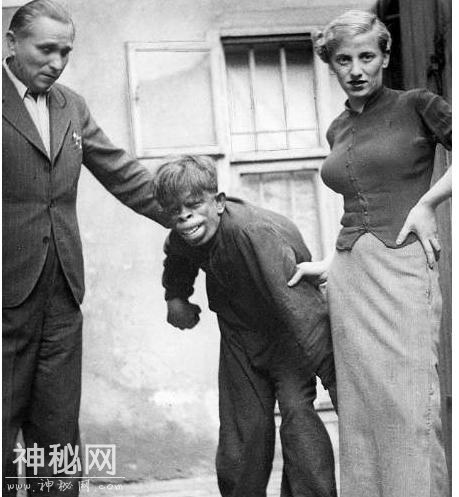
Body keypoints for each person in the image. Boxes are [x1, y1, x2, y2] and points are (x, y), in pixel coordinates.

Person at [2, 1, 168, 495]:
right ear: (11, 43)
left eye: (66, 52)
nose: (57, 62)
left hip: (61, 296)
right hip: (3, 296)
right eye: (45, 49)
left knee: (57, 439)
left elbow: (123, 174)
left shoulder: (70, 105)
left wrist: (196, 211)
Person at [287, 10, 452, 497]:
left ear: (384, 56)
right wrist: (331, 263)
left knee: (409, 407)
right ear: (330, 64)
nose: (356, 69)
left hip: (402, 268)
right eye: (344, 60)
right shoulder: (337, 128)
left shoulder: (418, 105)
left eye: (366, 56)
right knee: (360, 414)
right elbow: (357, 205)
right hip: (350, 277)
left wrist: (428, 204)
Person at [156, 155, 338, 497]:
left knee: (298, 418)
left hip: (289, 332)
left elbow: (304, 313)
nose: (184, 217)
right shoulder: (186, 231)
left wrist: (336, 382)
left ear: (219, 202)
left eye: (193, 206)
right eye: (175, 211)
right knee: (242, 430)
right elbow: (177, 255)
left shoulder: (255, 235)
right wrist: (176, 296)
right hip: (240, 335)